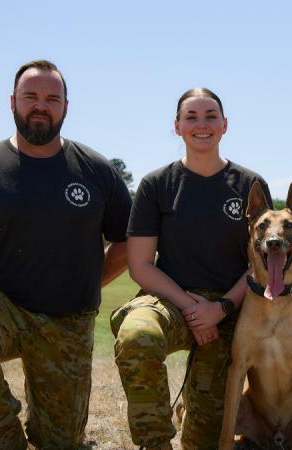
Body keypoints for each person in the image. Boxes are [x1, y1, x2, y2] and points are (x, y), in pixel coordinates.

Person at [0, 59, 133, 450]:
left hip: (68, 320)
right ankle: (4, 428)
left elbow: (127, 242)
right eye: (31, 97)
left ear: (65, 106)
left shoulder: (95, 169)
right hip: (0, 306)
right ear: (12, 102)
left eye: (51, 98)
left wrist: (88, 280)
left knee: (60, 442)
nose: (41, 105)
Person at [111, 87, 271, 450]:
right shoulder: (156, 184)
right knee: (138, 335)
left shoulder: (249, 185)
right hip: (170, 298)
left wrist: (221, 308)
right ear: (177, 126)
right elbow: (139, 265)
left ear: (225, 124)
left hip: (232, 310)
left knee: (205, 439)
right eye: (192, 117)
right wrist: (191, 306)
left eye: (211, 116)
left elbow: (259, 263)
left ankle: (195, 415)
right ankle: (156, 443)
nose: (202, 125)